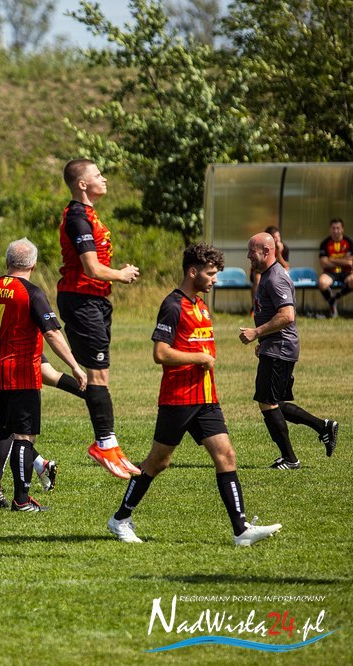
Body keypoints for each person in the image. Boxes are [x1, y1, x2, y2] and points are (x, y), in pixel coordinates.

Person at [108, 243, 282, 546]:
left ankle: (241, 530)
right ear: (192, 272)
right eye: (210, 273)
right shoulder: (173, 305)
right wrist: (199, 358)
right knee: (158, 462)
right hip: (178, 399)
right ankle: (120, 518)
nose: (214, 279)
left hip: (206, 398)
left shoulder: (200, 305)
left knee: (226, 454)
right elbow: (160, 353)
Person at [0, 239, 86, 512]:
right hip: (20, 373)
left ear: (7, 261)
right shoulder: (31, 293)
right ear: (33, 265)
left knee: (5, 430)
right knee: (24, 437)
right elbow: (52, 333)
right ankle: (22, 500)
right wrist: (74, 365)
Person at [56, 158, 141, 480]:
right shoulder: (77, 218)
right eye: (98, 174)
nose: (104, 179)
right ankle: (104, 444)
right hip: (82, 300)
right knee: (97, 375)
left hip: (94, 300)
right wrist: (120, 274)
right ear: (82, 184)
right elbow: (91, 268)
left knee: (101, 374)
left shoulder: (88, 214)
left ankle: (111, 444)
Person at [240, 232, 339, 468]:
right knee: (276, 403)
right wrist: (264, 340)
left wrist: (257, 333)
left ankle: (290, 459)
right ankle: (324, 426)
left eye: (252, 251)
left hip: (280, 349)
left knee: (267, 402)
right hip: (275, 346)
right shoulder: (268, 275)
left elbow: (287, 316)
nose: (248, 256)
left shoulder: (275, 278)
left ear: (266, 251)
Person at [317, 218, 353, 318]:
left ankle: (335, 297)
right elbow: (324, 264)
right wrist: (344, 260)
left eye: (338, 228)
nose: (335, 231)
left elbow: (351, 263)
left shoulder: (349, 242)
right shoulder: (325, 243)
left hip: (346, 272)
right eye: (333, 228)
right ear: (330, 229)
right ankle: (332, 303)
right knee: (322, 283)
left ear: (342, 229)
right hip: (330, 272)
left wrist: (331, 259)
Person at [250, 225, 289, 304]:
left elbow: (286, 265)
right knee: (258, 278)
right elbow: (256, 267)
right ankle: (255, 305)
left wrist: (279, 253)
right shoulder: (261, 247)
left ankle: (281, 301)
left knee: (286, 272)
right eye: (274, 237)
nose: (277, 239)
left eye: (278, 236)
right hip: (259, 272)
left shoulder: (284, 248)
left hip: (275, 272)